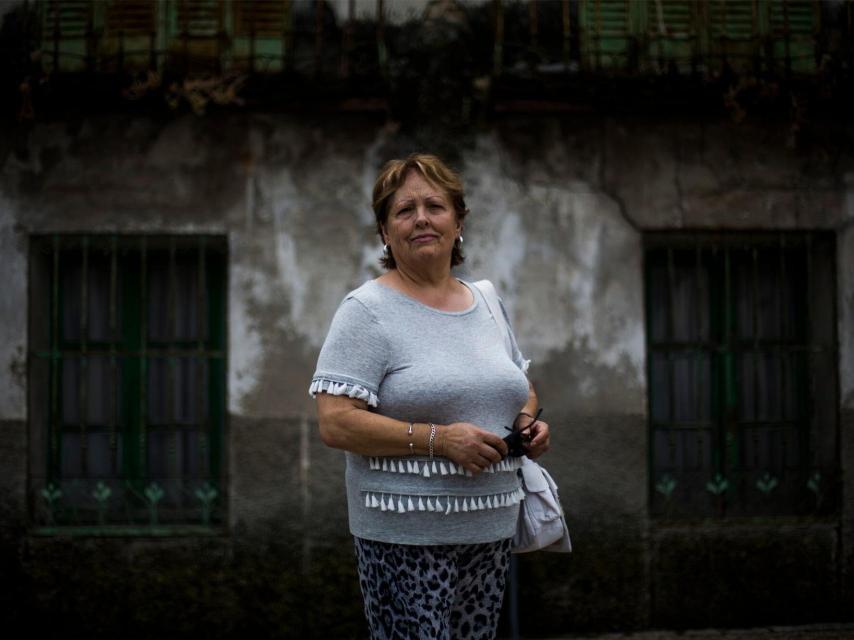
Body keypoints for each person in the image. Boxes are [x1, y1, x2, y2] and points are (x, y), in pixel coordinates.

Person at [309, 153, 550, 640]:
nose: (421, 218)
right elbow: (335, 422)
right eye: (403, 210)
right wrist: (440, 440)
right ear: (384, 232)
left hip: (490, 529)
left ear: (458, 220)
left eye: (435, 206)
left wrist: (528, 423)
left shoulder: (486, 299)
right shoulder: (367, 311)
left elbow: (518, 385)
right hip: (404, 536)